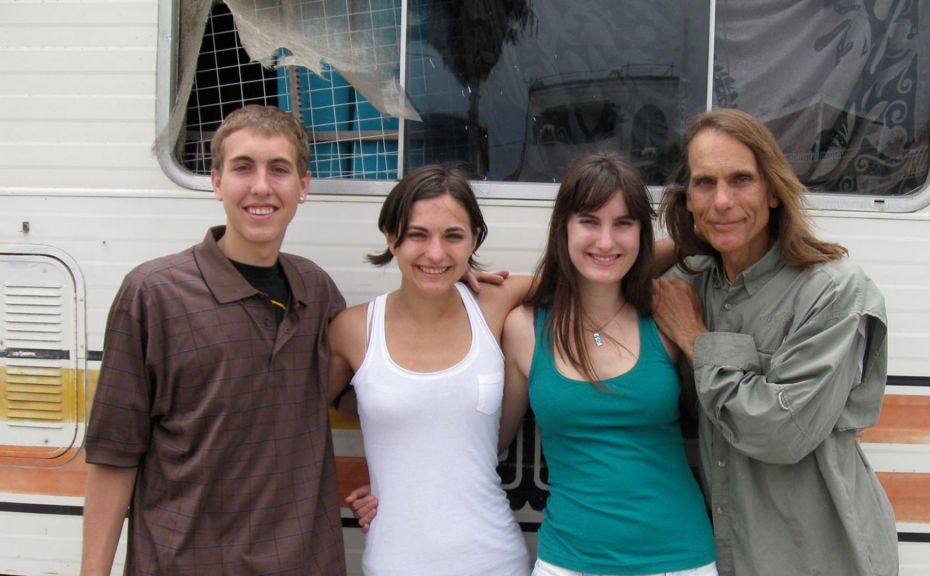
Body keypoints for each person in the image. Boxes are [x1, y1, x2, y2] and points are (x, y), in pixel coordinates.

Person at [81, 105, 347, 575]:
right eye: (243, 167)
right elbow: (113, 457)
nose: (261, 186)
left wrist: (456, 282)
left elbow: (382, 371)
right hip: (183, 563)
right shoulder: (153, 294)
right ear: (216, 181)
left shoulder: (316, 291)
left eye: (279, 169)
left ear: (303, 187)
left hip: (305, 562)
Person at [653, 108, 898, 576]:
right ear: (686, 198)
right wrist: (682, 241)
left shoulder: (832, 292)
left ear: (772, 191)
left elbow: (780, 432)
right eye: (704, 184)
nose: (722, 200)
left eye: (740, 179)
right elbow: (595, 273)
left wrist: (692, 337)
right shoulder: (696, 283)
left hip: (817, 557)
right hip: (726, 553)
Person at [501, 152, 718, 576]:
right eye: (589, 222)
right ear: (562, 227)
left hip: (680, 560)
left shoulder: (669, 312)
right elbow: (487, 444)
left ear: (641, 233)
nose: (606, 242)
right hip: (568, 561)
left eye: (623, 224)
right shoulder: (524, 327)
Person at [328, 164, 532, 576]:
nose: (435, 253)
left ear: (475, 238)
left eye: (453, 236)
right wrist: (392, 486)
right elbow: (295, 422)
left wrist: (689, 239)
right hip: (393, 563)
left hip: (495, 562)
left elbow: (598, 271)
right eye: (418, 235)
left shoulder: (494, 303)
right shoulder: (351, 330)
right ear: (390, 235)